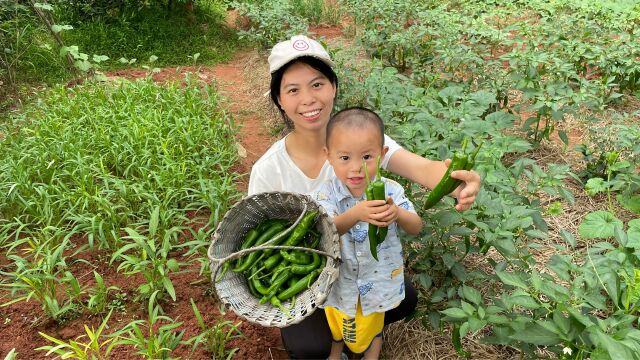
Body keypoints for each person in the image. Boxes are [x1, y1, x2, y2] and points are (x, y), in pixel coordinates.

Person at [248, 34, 481, 359]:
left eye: (317, 84)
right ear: (279, 100)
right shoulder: (268, 170)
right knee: (311, 347)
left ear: (333, 87)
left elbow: (423, 169)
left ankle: (368, 329)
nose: (308, 99)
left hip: (356, 266)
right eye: (293, 90)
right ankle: (336, 335)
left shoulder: (360, 142)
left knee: (405, 298)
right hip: (306, 274)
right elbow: (262, 245)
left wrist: (457, 182)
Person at [312, 107, 423, 360]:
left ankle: (373, 352)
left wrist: (398, 214)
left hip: (378, 277)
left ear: (382, 154)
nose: (356, 168)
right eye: (344, 158)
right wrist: (357, 213)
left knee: (373, 319)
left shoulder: (391, 191)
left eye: (366, 157)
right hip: (341, 279)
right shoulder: (325, 194)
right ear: (328, 156)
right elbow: (323, 231)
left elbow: (416, 226)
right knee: (338, 318)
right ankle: (336, 350)